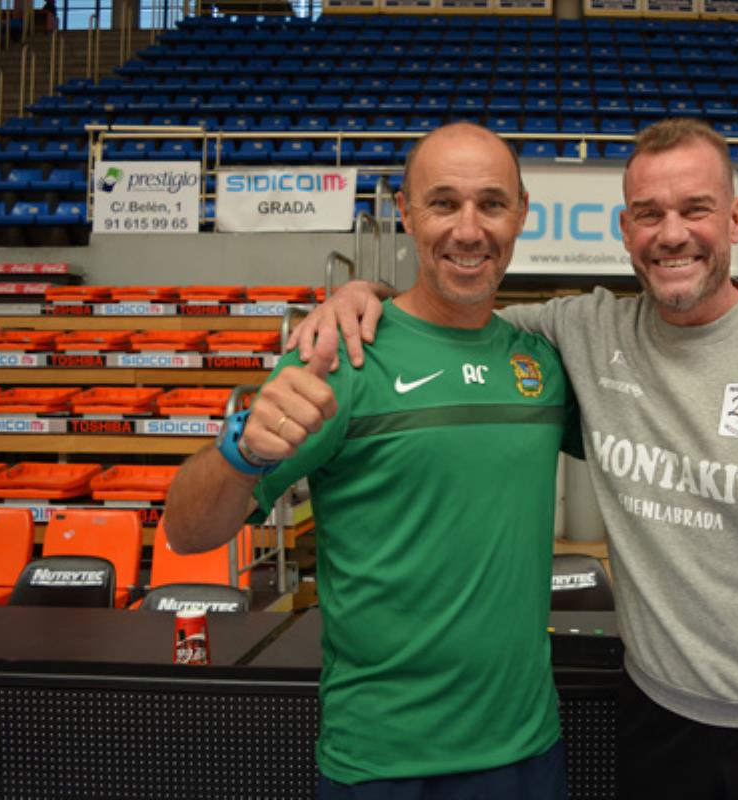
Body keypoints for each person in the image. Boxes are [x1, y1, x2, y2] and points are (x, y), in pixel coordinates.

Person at [292, 117, 738, 800]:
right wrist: (365, 298)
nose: (672, 234)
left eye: (696, 210)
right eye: (649, 214)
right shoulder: (582, 331)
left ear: (736, 220)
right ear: (625, 230)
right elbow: (452, 318)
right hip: (660, 724)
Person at [164, 122, 579, 799]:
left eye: (492, 204)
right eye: (443, 203)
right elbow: (188, 532)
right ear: (405, 213)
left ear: (523, 213)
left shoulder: (540, 364)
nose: (469, 230)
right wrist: (239, 450)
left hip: (526, 751)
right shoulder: (340, 356)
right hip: (380, 763)